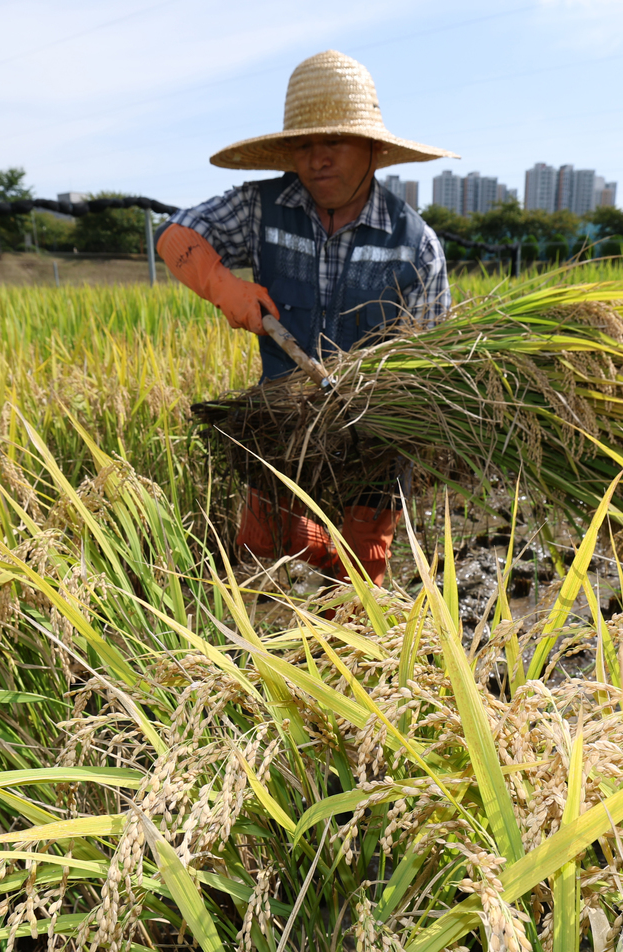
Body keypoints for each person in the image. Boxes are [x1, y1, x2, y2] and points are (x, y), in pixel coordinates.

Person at [157, 50, 456, 587]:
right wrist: (223, 285)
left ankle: (346, 655)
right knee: (257, 554)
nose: (318, 159)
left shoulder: (416, 245)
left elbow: (432, 362)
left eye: (334, 142)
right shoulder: (261, 208)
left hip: (373, 439)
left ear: (372, 149)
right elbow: (178, 233)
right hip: (282, 427)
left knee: (360, 577)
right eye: (305, 144)